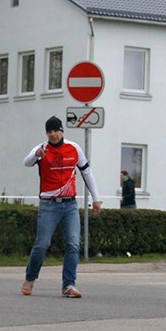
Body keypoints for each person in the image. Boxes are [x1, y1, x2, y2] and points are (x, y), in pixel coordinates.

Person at [21, 116, 102, 299]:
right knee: (42, 245)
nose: (53, 134)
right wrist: (36, 156)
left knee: (73, 243)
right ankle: (30, 278)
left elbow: (86, 172)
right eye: (49, 132)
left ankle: (68, 285)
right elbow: (26, 162)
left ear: (62, 131)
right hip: (49, 205)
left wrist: (96, 198)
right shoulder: (41, 149)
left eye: (56, 130)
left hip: (70, 204)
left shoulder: (74, 148)